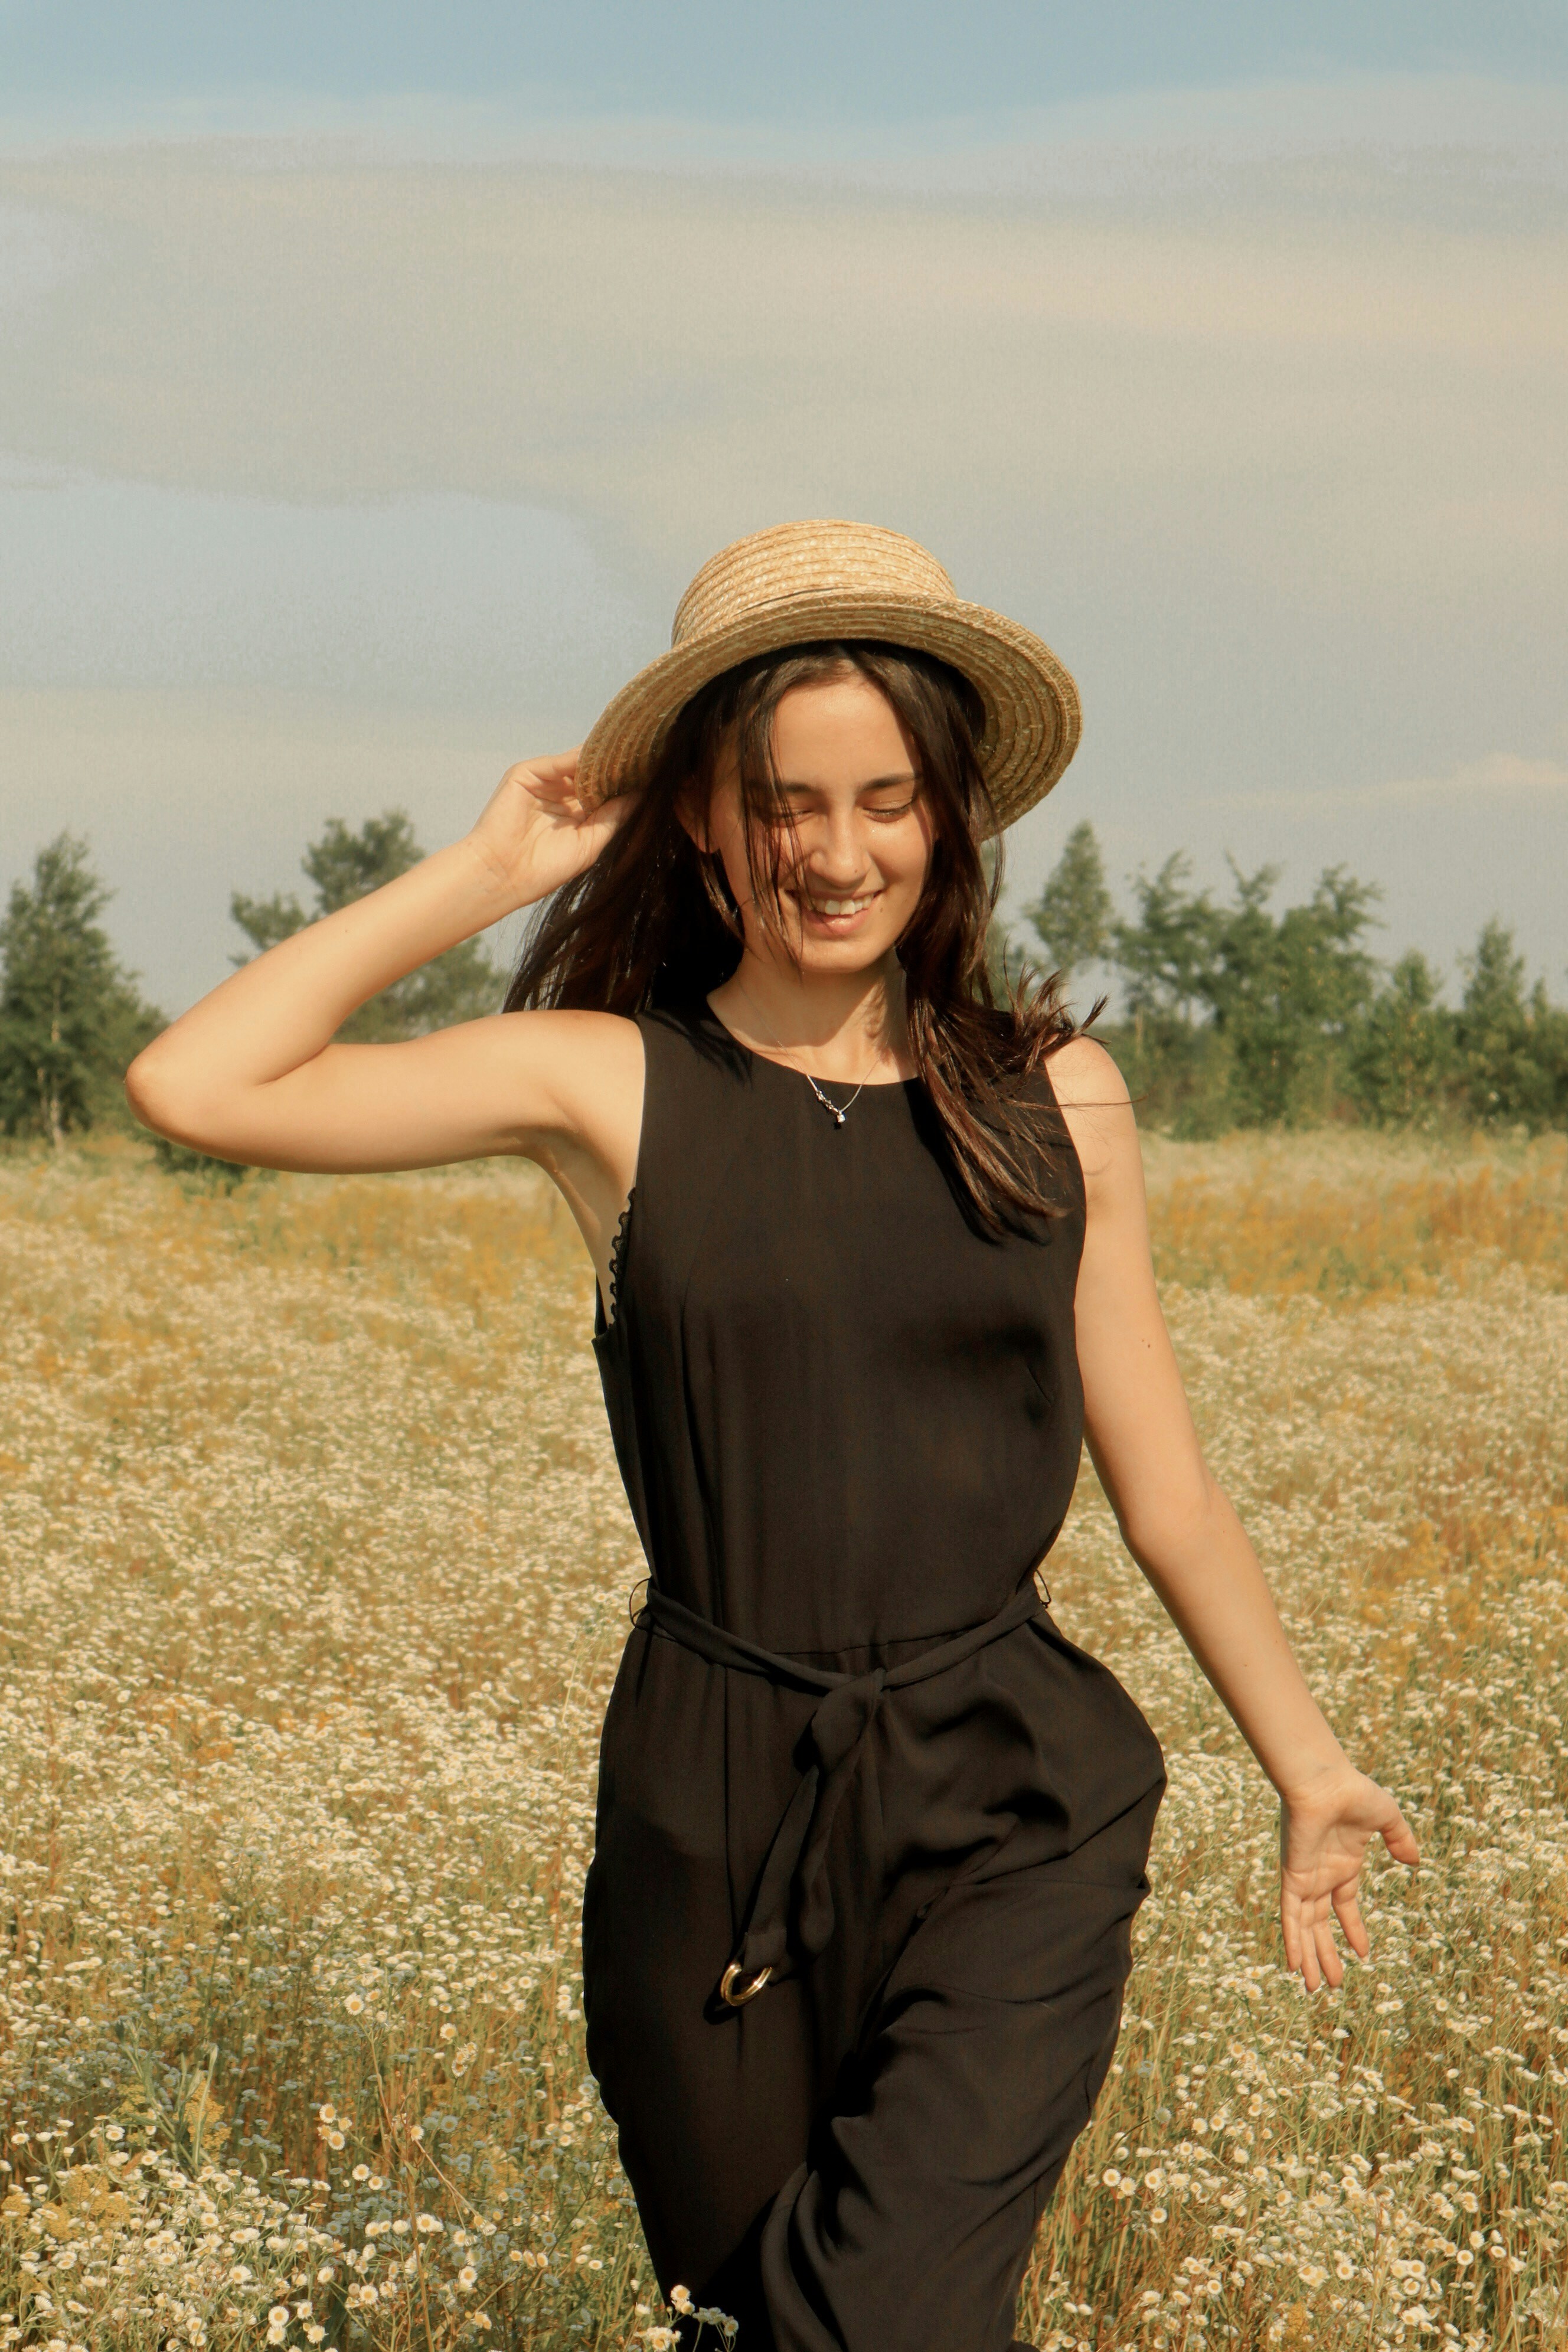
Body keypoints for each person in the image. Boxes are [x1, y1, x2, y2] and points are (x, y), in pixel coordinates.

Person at [128, 520, 1417, 2352]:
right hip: (710, 1807)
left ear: (949, 815)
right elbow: (196, 1083)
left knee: (882, 2318)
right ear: (705, 820)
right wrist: (492, 868)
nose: (836, 853)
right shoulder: (608, 1082)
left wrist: (1308, 1768)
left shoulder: (1052, 1098)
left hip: (1013, 1795)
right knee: (748, 2318)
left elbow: (1169, 1487)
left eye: (885, 800)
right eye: (783, 803)